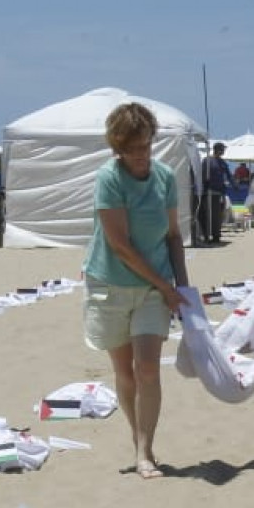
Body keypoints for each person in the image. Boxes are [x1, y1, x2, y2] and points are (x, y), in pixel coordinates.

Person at [81, 101, 194, 480]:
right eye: (131, 149)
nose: (140, 155)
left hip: (152, 287)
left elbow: (174, 236)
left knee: (147, 368)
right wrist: (167, 286)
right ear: (118, 148)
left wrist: (181, 286)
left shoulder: (163, 177)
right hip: (111, 283)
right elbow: (120, 245)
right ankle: (136, 436)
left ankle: (146, 450)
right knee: (125, 374)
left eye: (144, 146)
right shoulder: (108, 178)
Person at [202, 142, 232, 245]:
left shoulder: (222, 162)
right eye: (223, 149)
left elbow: (229, 175)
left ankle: (216, 236)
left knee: (218, 215)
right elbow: (202, 175)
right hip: (209, 192)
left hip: (220, 193)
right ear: (218, 149)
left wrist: (234, 185)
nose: (223, 151)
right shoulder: (207, 161)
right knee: (208, 215)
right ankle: (207, 235)